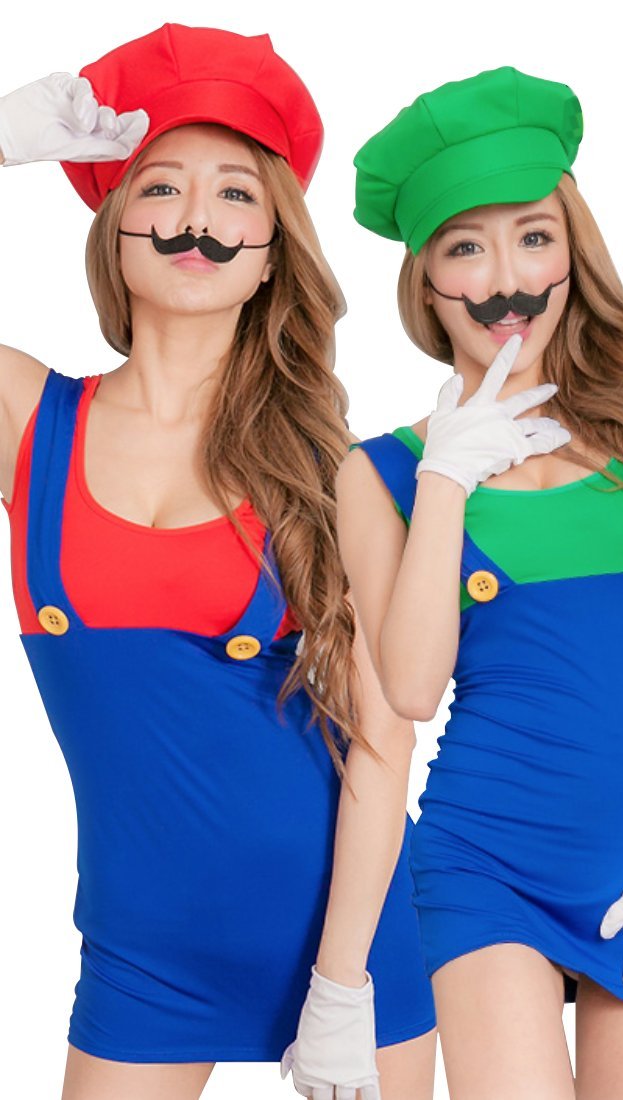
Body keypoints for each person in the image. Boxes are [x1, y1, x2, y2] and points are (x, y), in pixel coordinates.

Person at [0, 23, 436, 1100]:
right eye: (161, 187)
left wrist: (342, 986)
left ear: (274, 248)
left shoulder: (330, 468)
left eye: (237, 193)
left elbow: (384, 737)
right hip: (139, 951)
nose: (196, 217)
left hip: (352, 939)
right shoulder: (28, 423)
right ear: (114, 230)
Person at [337, 64, 623, 1098]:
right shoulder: (379, 473)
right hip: (488, 861)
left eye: (532, 236)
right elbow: (411, 687)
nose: (504, 279)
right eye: (464, 247)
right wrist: (444, 480)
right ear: (427, 283)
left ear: (573, 252)